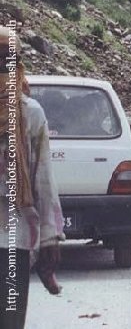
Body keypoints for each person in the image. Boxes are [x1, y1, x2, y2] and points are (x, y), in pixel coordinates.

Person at [1, 26, 65, 328]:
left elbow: (42, 180)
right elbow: (44, 182)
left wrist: (49, 237)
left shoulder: (30, 114)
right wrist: (50, 239)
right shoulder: (30, 112)